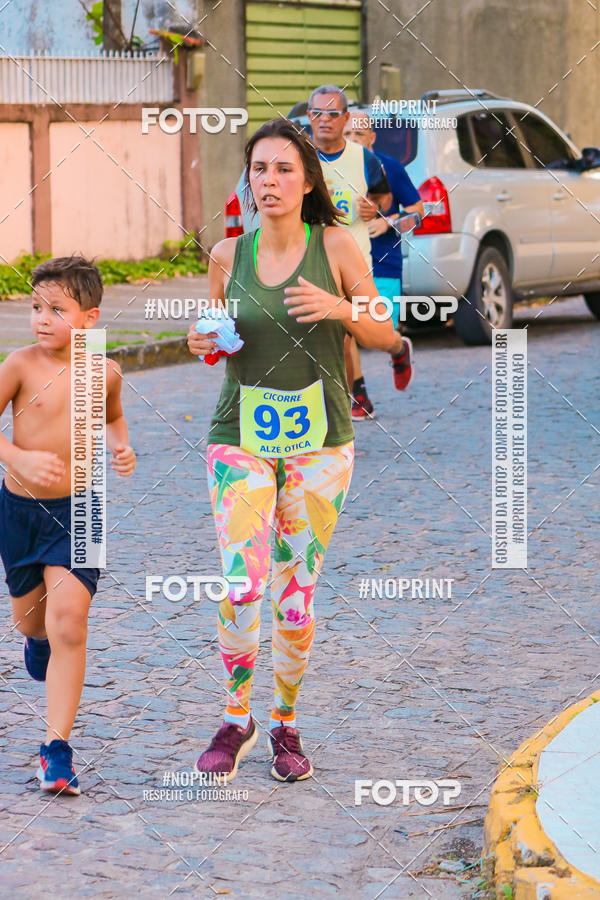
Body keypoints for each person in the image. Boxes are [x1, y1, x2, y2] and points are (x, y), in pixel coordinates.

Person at [188, 117, 397, 782]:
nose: (270, 180)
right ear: (248, 181)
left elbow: (385, 332)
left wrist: (340, 311)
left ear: (307, 181)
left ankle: (284, 722)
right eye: (259, 169)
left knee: (295, 595)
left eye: (284, 169)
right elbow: (218, 337)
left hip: (321, 442)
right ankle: (235, 717)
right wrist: (203, 342)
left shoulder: (335, 243)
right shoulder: (228, 254)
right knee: (242, 583)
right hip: (239, 435)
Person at [0, 257, 136, 795]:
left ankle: (56, 750)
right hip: (20, 513)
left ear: (90, 318)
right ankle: (36, 641)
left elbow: (114, 417)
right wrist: (17, 458)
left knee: (71, 623)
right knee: (33, 623)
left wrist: (121, 447)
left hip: (82, 511)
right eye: (36, 307)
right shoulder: (19, 365)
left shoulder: (105, 371)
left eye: (57, 309)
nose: (42, 318)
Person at [307, 84, 403, 419]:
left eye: (333, 113)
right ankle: (350, 399)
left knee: (369, 334)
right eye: (318, 113)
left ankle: (397, 347)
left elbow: (384, 197)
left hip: (355, 261)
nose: (325, 119)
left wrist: (374, 207)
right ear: (309, 117)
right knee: (338, 335)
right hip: (313, 260)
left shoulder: (365, 158)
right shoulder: (300, 158)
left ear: (345, 118)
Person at [343, 109, 425, 390]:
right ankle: (359, 395)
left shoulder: (390, 168)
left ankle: (399, 349)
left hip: (383, 264)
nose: (353, 139)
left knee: (378, 335)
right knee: (343, 332)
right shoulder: (331, 170)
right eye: (347, 133)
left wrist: (388, 222)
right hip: (344, 265)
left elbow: (418, 213)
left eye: (359, 134)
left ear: (372, 137)